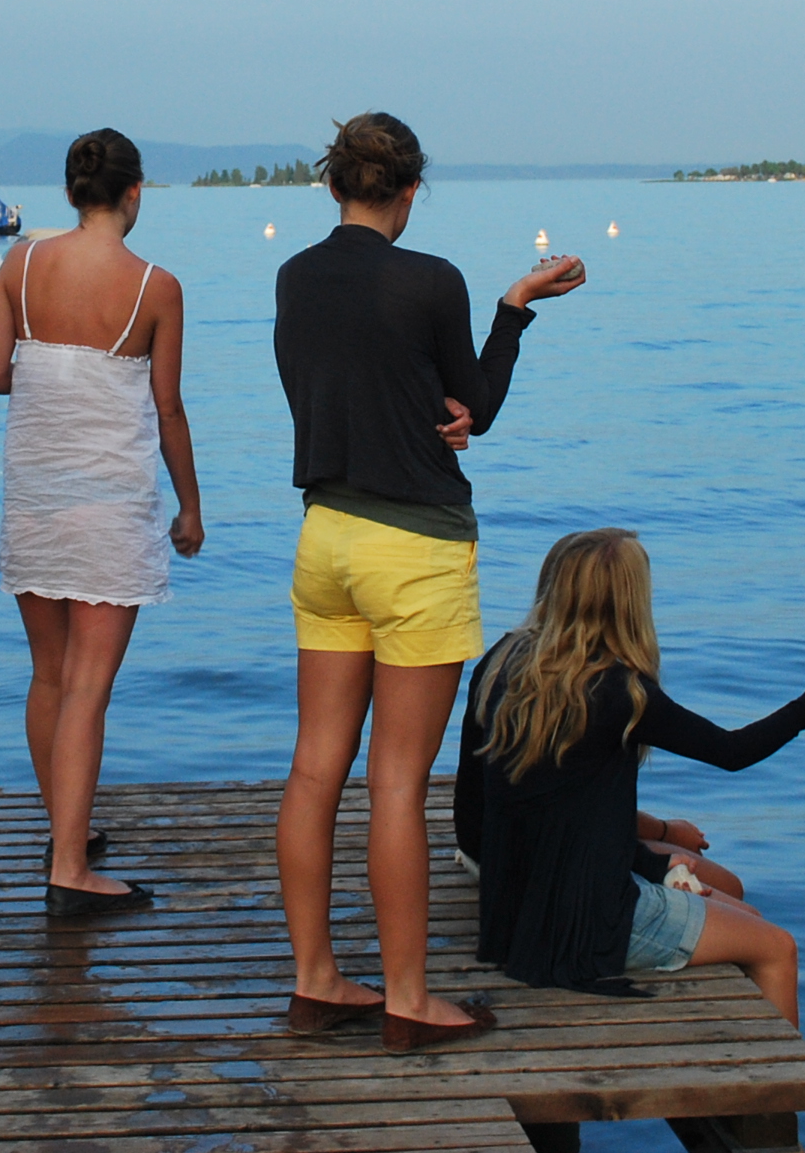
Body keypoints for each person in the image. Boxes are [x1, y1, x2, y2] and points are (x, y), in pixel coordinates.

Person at [271, 111, 586, 1053]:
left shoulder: (294, 277)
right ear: (409, 191)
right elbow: (475, 407)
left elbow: (329, 387)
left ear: (334, 185)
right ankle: (407, 999)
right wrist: (513, 309)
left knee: (314, 768)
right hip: (414, 547)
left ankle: (316, 981)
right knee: (398, 782)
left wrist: (424, 406)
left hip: (325, 535)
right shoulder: (431, 280)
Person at [452, 528, 805, 1025]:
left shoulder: (504, 661)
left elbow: (540, 804)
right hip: (580, 924)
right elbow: (732, 752)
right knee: (775, 947)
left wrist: (656, 849)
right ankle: (775, 1071)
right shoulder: (621, 691)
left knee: (728, 886)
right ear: (629, 603)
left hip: (515, 899)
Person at [0, 128, 203, 916]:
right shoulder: (156, 287)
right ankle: (70, 869)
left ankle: (63, 833)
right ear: (133, 193)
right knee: (88, 689)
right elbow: (168, 409)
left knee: (49, 676)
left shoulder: (19, 265)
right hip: (109, 506)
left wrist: (49, 369)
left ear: (72, 193)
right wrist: (191, 507)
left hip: (34, 498)